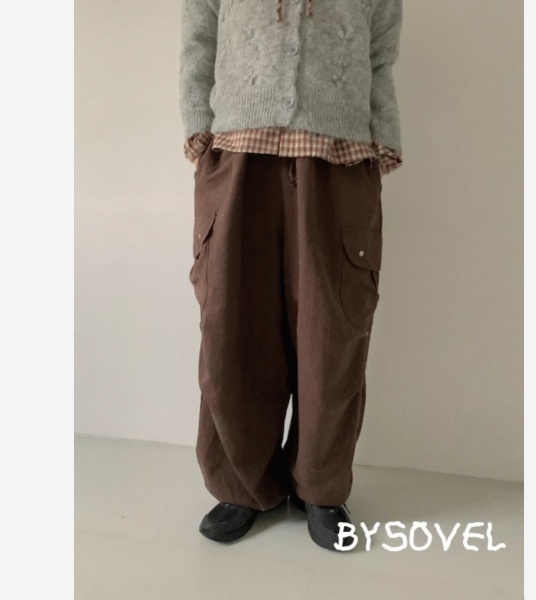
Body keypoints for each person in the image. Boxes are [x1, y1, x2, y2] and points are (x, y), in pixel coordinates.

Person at [179, 0, 403, 552]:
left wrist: (383, 141)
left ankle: (321, 488)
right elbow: (198, 41)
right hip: (237, 156)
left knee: (333, 337)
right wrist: (199, 131)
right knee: (232, 329)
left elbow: (381, 55)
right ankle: (241, 485)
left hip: (339, 158)